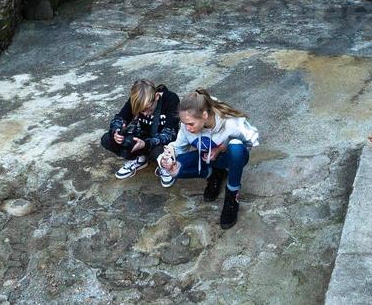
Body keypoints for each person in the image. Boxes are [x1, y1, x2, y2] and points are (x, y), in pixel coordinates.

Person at [158, 88, 260, 229]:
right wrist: (167, 159)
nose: (187, 128)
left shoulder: (230, 123)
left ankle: (232, 197)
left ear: (204, 115)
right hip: (207, 157)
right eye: (184, 123)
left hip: (228, 156)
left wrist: (223, 147)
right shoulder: (187, 123)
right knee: (176, 168)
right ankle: (214, 174)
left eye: (191, 124)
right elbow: (179, 148)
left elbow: (252, 140)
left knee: (236, 148)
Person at [101, 79, 180, 181]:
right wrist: (116, 131)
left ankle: (166, 165)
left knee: (157, 151)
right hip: (143, 137)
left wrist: (146, 144)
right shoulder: (137, 100)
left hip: (163, 142)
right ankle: (139, 159)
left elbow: (170, 133)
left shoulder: (171, 99)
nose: (145, 113)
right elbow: (119, 118)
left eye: (149, 109)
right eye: (141, 111)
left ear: (156, 97)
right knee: (107, 139)